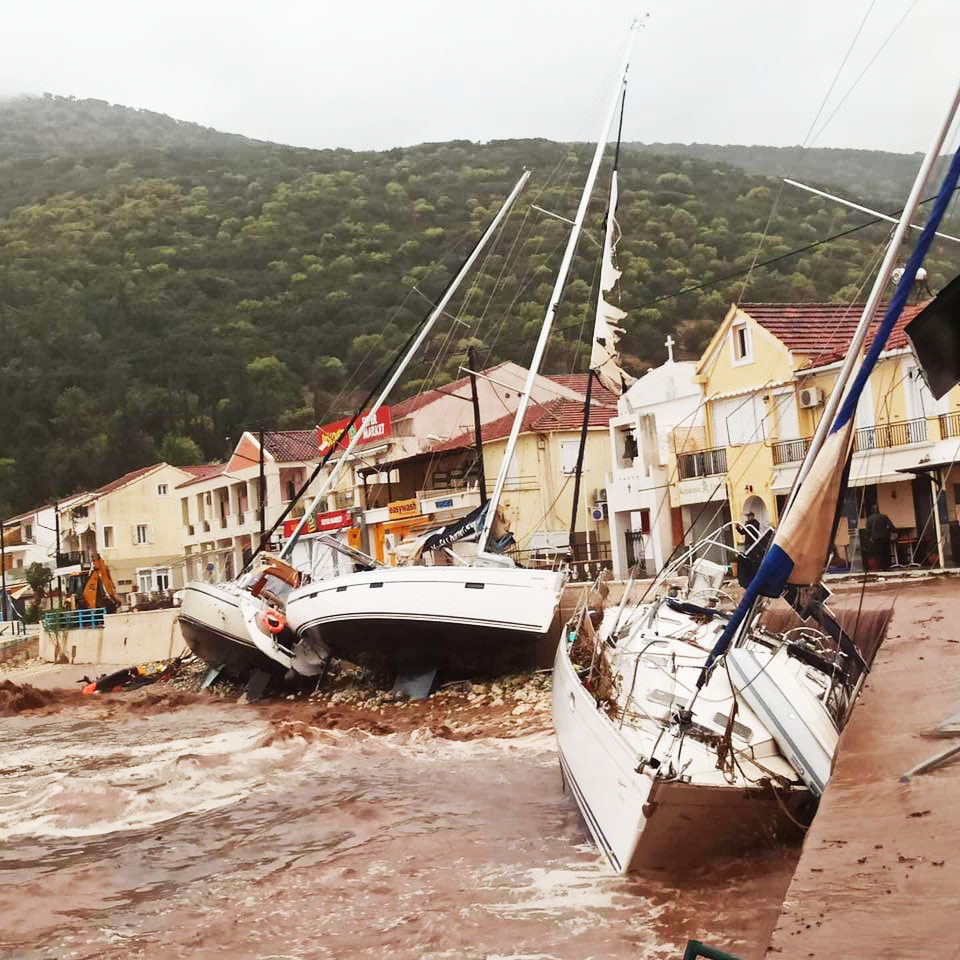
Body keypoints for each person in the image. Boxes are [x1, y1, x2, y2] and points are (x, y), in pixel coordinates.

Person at [865, 504, 896, 570]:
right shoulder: (884, 516)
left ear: (872, 510)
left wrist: (869, 537)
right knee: (886, 552)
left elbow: (867, 530)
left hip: (875, 538)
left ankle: (880, 567)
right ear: (878, 510)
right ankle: (887, 566)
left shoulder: (870, 518)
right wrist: (891, 532)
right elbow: (891, 526)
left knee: (878, 553)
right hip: (885, 537)